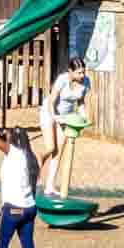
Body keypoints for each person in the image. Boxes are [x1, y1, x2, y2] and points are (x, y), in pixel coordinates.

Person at [38, 58, 92, 196]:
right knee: (51, 148)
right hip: (49, 112)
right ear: (70, 71)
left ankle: (49, 186)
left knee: (59, 152)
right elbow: (51, 101)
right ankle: (39, 159)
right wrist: (55, 116)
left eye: (83, 72)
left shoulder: (85, 83)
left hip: (64, 117)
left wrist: (84, 116)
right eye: (79, 73)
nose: (82, 75)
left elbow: (80, 102)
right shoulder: (62, 80)